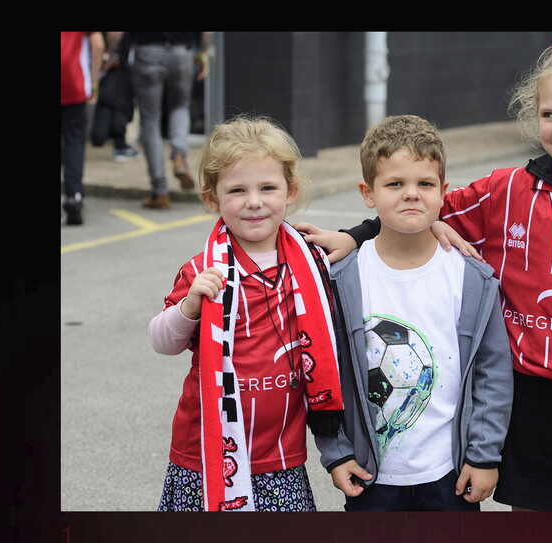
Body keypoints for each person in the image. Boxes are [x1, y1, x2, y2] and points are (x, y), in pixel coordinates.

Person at [297, 41, 552, 511]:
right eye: (550, 115)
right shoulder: (507, 189)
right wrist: (356, 236)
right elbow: (421, 208)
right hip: (525, 395)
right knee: (531, 515)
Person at [312, 114, 513, 512]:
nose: (411, 194)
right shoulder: (342, 279)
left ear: (443, 192)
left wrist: (484, 455)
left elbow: (494, 373)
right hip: (369, 477)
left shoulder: (470, 279)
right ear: (367, 193)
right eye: (395, 184)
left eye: (424, 184)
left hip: (449, 475)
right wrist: (335, 452)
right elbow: (322, 372)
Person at [148, 115, 344, 512]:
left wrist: (359, 237)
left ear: (290, 192)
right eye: (237, 190)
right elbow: (162, 342)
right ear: (212, 198)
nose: (254, 202)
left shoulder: (314, 261)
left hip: (281, 453)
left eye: (267, 188)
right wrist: (190, 306)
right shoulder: (204, 269)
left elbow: (393, 240)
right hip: (204, 452)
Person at [127, 32, 212, 210]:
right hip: (182, 52)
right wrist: (203, 51)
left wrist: (112, 53)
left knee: (150, 119)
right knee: (180, 107)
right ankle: (179, 157)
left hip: (147, 51)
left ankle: (160, 192)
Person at [60, 31, 104, 226]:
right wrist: (94, 83)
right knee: (74, 142)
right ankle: (74, 196)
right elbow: (98, 46)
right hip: (72, 82)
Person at [90, 32, 140, 162]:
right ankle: (120, 145)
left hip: (110, 71)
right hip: (117, 71)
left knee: (115, 104)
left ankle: (119, 144)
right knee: (120, 106)